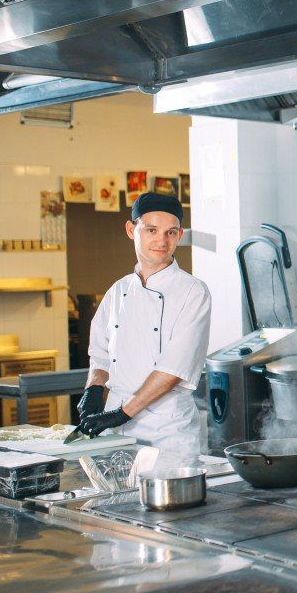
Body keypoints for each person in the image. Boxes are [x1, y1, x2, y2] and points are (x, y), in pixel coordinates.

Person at [76, 193, 212, 472]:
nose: (162, 241)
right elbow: (100, 353)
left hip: (166, 433)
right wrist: (93, 388)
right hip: (116, 435)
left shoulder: (193, 292)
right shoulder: (118, 291)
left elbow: (173, 369)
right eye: (151, 230)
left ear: (179, 235)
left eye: (170, 232)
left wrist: (121, 413)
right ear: (131, 230)